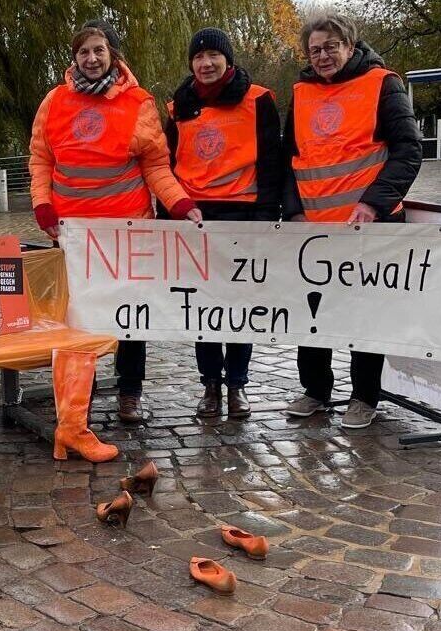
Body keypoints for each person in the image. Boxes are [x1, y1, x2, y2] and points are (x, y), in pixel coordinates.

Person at [30, 22, 202, 423]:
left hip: (127, 231)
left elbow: (156, 165)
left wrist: (178, 204)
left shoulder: (138, 103)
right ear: (75, 58)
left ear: (113, 55)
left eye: (98, 51)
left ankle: (130, 392)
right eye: (84, 52)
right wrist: (42, 204)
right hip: (73, 235)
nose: (91, 59)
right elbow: (41, 159)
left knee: (131, 315)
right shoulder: (54, 101)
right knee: (79, 316)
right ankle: (79, 396)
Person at [283, 12, 421, 429]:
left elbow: (408, 151)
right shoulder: (302, 92)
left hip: (369, 225)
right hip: (316, 230)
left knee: (366, 313)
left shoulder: (383, 84)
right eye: (314, 49)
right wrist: (293, 211)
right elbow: (288, 159)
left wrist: (374, 204)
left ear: (350, 45)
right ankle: (315, 391)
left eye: (331, 47)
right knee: (313, 312)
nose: (323, 56)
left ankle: (364, 396)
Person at [164, 28, 283, 419]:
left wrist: (268, 216)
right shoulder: (177, 107)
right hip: (195, 217)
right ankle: (210, 385)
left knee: (238, 306)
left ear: (228, 60)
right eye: (199, 57)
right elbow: (166, 167)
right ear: (191, 64)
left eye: (214, 55)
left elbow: (271, 161)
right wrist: (171, 218)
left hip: (244, 215)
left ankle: (237, 385)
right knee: (204, 309)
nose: (206, 63)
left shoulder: (258, 100)